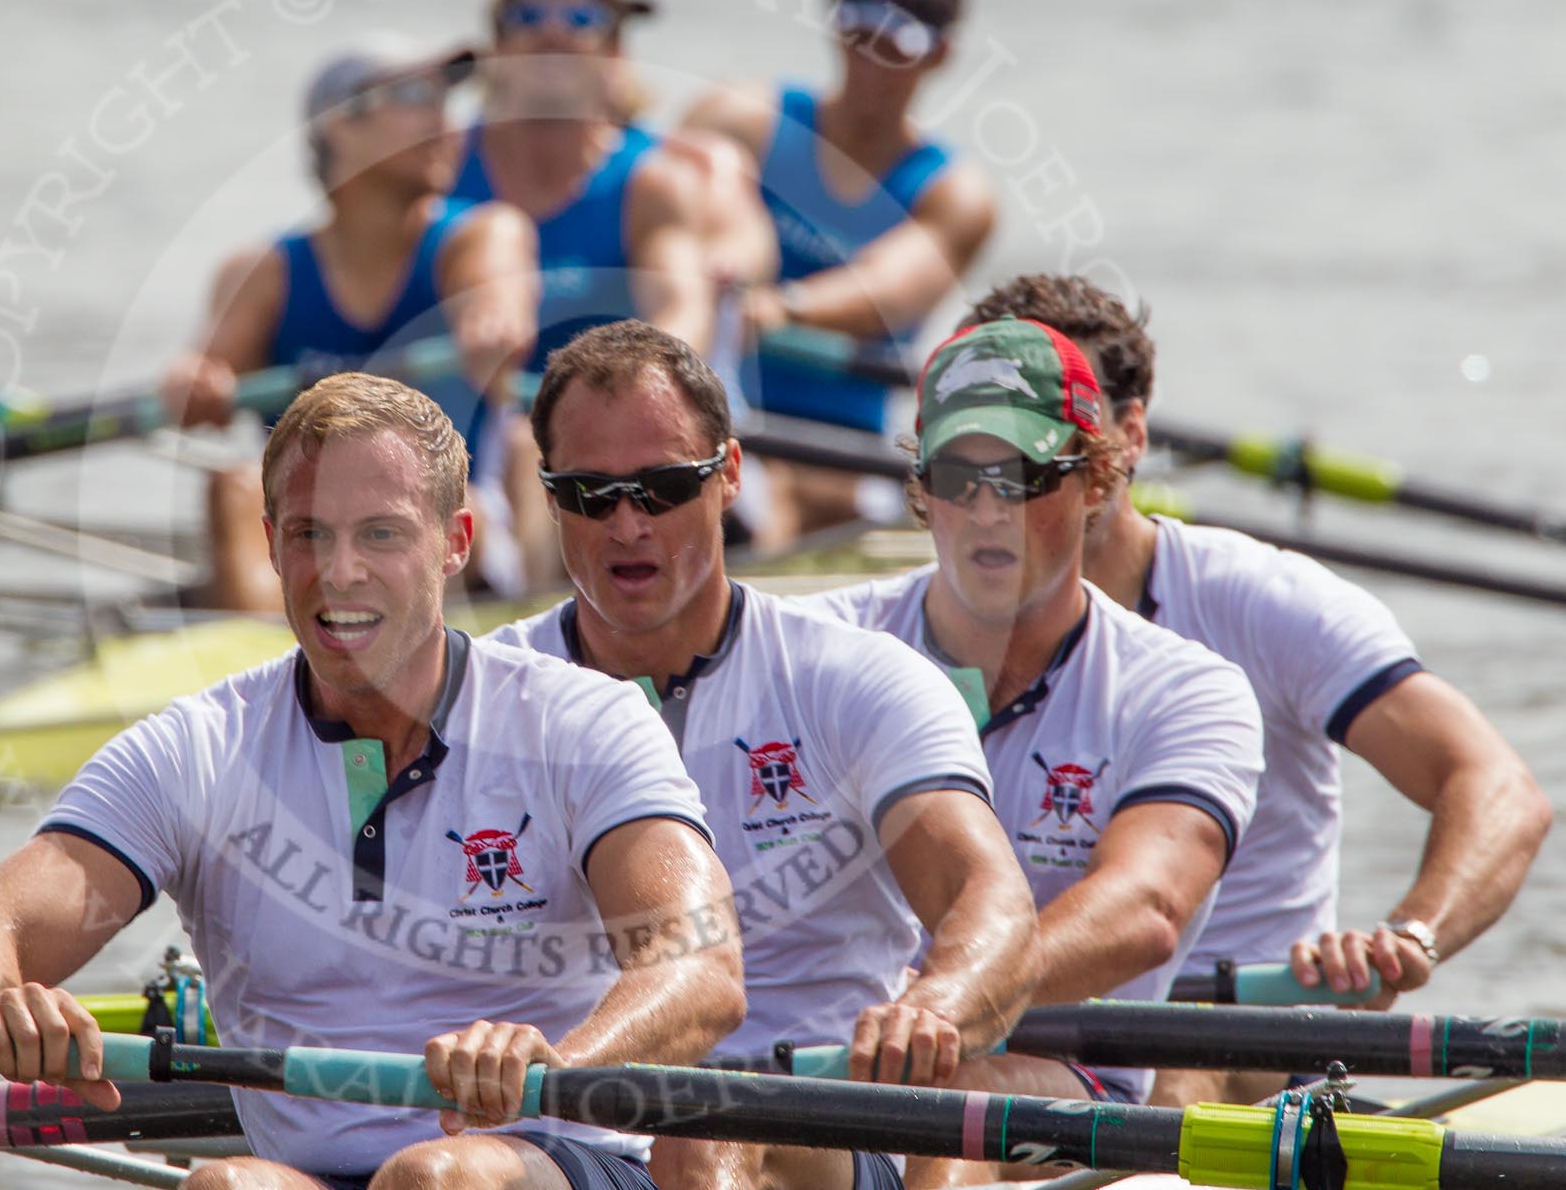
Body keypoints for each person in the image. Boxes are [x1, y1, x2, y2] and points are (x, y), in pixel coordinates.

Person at [0, 373, 747, 1190]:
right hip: (306, 1173)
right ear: (271, 545)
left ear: (456, 541)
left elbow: (702, 971)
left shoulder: (581, 725)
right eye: (311, 534)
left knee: (435, 1177)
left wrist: (555, 1062)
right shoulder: (196, 751)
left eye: (381, 535)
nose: (340, 572)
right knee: (228, 1187)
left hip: (550, 1155)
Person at [961, 275, 1556, 1106]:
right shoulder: (912, 626)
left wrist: (1409, 937)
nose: (1017, 471)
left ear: (1127, 437)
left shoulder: (1262, 603)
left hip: (1226, 1029)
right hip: (992, 1015)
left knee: (1168, 1085)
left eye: (1054, 436)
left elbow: (1498, 788)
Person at [488, 320, 1039, 1190]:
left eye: (664, 487)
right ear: (549, 496)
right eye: (592, 494)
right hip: (568, 1130)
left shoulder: (853, 680)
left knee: (702, 1132)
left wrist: (937, 1004)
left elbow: (990, 900)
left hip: (812, 1121)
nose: (628, 523)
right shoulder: (489, 695)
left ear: (730, 477)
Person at [803, 318, 1263, 1187]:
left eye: (1021, 476)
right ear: (921, 488)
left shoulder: (1182, 691)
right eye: (958, 478)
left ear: (1096, 479)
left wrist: (950, 995)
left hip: (1072, 1076)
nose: (986, 510)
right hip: (826, 1060)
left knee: (947, 1113)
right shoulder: (820, 650)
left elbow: (1147, 908)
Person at [165, 36, 539, 609]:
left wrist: (494, 322)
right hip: (312, 529)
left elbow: (499, 299)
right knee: (234, 488)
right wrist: (193, 384)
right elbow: (205, 375)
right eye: (416, 97)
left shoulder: (480, 236)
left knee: (498, 457)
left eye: (448, 100)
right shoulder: (264, 274)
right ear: (340, 125)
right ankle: (268, 663)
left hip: (462, 524)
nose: (447, 123)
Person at [453, 0, 763, 583]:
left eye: (581, 17)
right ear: (497, 50)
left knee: (529, 446)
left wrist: (610, 408)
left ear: (614, 56)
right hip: (469, 437)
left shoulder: (654, 180)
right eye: (528, 15)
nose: (552, 30)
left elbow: (684, 309)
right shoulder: (437, 169)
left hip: (624, 437)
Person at [682, 0, 998, 544]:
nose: (870, 63)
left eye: (893, 47)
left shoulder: (954, 192)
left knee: (775, 497)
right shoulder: (741, 118)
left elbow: (888, 293)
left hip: (847, 441)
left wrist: (780, 307)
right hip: (716, 404)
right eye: (857, 37)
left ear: (940, 56)